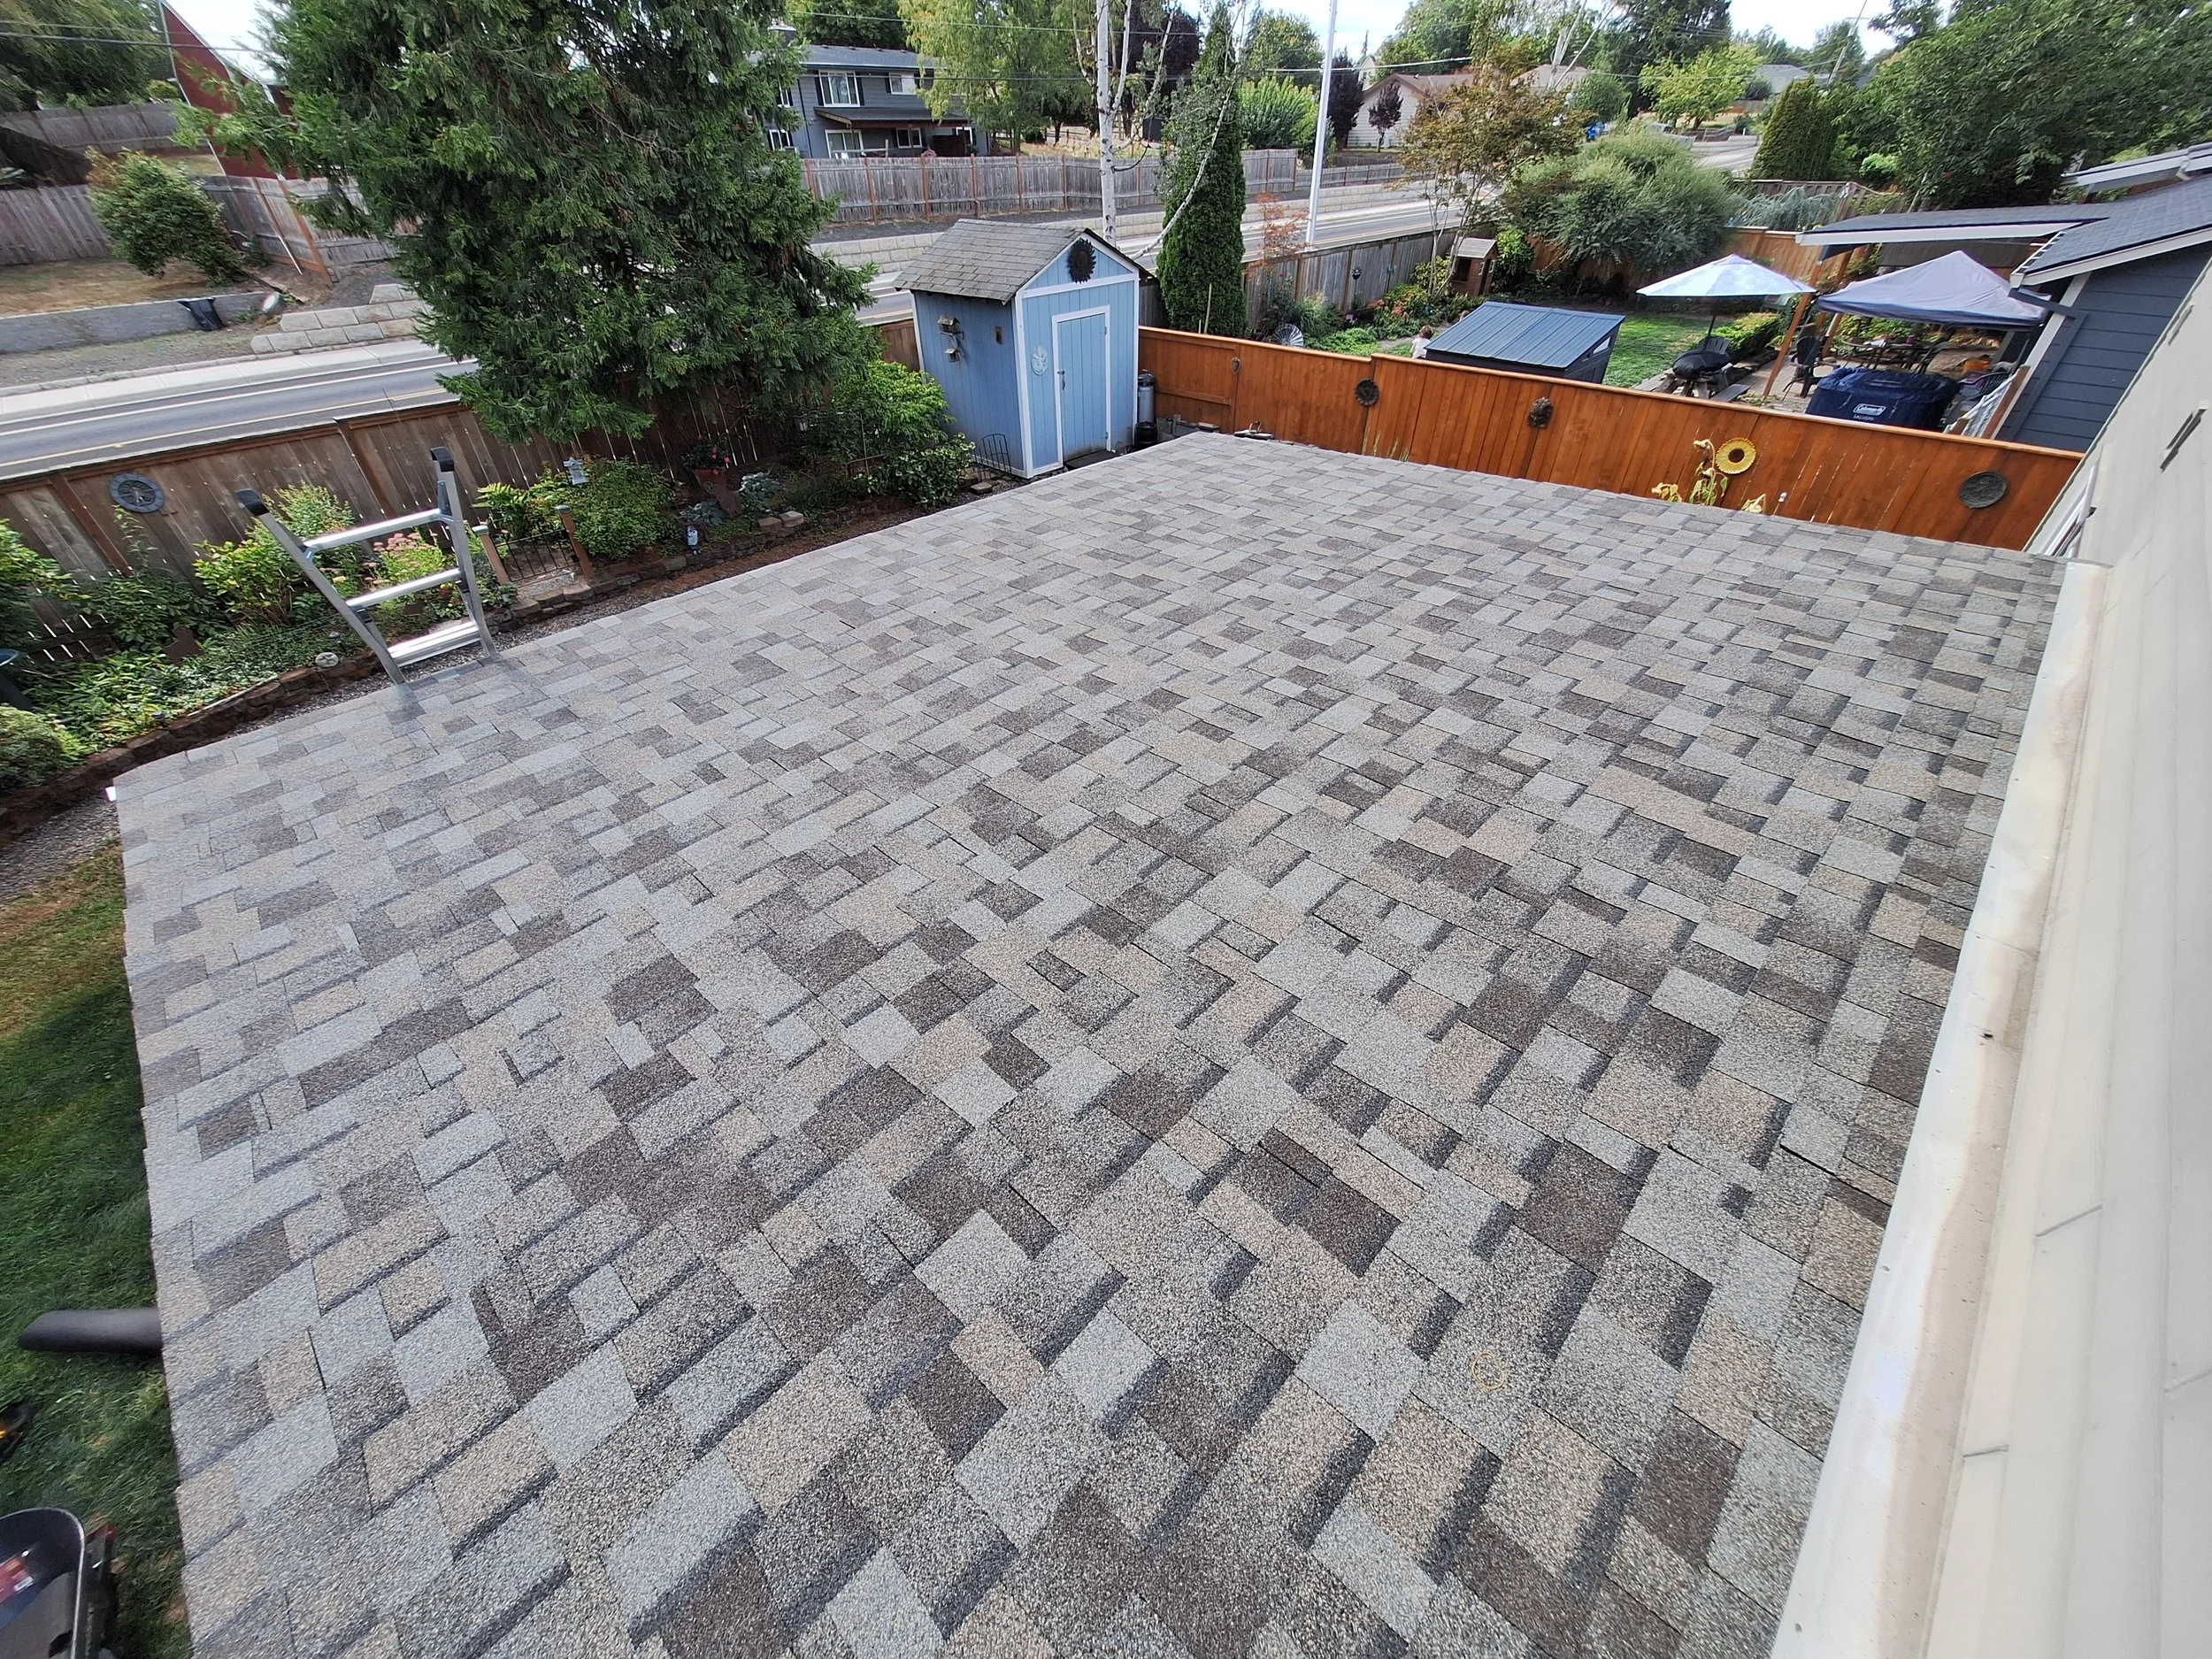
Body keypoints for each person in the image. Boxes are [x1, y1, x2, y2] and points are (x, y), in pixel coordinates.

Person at [1790, 323, 1824, 396]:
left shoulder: (1813, 341)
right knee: (1805, 366)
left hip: (1808, 363)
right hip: (1805, 365)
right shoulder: (1807, 341)